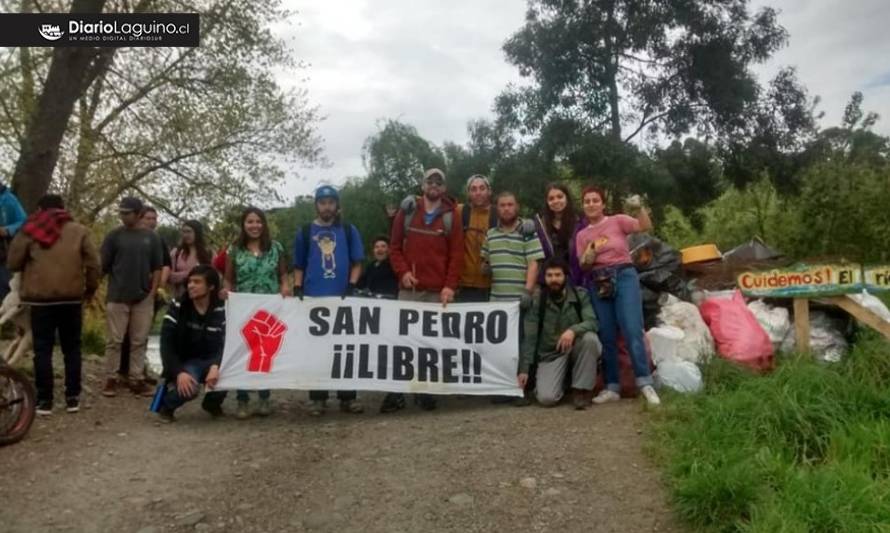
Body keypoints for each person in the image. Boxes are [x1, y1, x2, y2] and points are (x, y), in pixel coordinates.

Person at [6, 194, 99, 415]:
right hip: (71, 298)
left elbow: (13, 262)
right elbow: (94, 264)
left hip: (40, 300)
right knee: (72, 349)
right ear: (63, 208)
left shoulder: (30, 231)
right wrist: (90, 290)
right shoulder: (80, 231)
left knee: (42, 350)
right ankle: (72, 398)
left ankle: (44, 401)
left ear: (39, 210)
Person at [385, 168, 464, 412]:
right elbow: (394, 247)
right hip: (409, 288)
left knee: (430, 344)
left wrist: (450, 285)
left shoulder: (452, 215)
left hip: (437, 291)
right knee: (402, 342)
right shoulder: (407, 211)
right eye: (430, 181)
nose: (434, 185)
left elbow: (456, 254)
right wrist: (403, 272)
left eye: (439, 182)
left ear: (444, 188)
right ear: (422, 185)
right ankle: (395, 392)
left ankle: (424, 390)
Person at [575, 186, 660, 406]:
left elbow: (645, 226)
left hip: (624, 275)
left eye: (595, 200)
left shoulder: (617, 221)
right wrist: (589, 255)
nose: (591, 204)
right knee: (607, 334)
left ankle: (645, 383)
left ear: (603, 204)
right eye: (587, 201)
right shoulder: (582, 235)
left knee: (632, 328)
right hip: (599, 281)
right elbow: (583, 265)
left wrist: (639, 208)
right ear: (583, 206)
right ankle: (612, 386)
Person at [293, 185, 365, 416]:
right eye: (322, 203)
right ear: (317, 205)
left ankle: (347, 397)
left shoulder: (348, 229)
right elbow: (299, 265)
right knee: (316, 351)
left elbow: (357, 262)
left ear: (337, 205)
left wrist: (352, 285)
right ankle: (318, 398)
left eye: (330, 202)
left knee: (345, 349)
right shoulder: (305, 231)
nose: (327, 207)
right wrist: (297, 288)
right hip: (314, 298)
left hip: (342, 298)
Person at [223, 206, 290, 419]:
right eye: (250, 222)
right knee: (243, 352)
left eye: (258, 221)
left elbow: (282, 275)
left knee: (265, 352)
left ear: (264, 224)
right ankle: (242, 400)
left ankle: (264, 397)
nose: (255, 226)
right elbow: (228, 278)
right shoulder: (234, 250)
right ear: (244, 225)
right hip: (243, 308)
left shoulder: (276, 248)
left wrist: (285, 287)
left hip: (268, 307)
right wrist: (226, 292)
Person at [100, 197, 164, 397]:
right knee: (115, 340)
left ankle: (136, 378)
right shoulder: (113, 236)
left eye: (127, 212)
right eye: (121, 212)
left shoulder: (151, 238)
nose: (123, 216)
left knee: (139, 340)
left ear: (138, 214)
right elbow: (103, 266)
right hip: (117, 296)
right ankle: (112, 378)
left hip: (143, 296)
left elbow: (157, 267)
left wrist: (152, 293)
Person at [519, 257, 601, 409]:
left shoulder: (580, 295)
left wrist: (572, 331)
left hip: (575, 348)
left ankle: (580, 390)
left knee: (590, 339)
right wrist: (524, 369)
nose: (554, 279)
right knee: (546, 399)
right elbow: (529, 337)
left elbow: (593, 322)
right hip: (550, 354)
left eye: (558, 275)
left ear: (566, 277)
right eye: (549, 276)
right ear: (544, 278)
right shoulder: (537, 301)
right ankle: (563, 380)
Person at [155, 265, 227, 423]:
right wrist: (178, 372)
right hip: (186, 362)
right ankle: (166, 406)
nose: (191, 285)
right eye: (189, 282)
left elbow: (226, 343)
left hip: (211, 360)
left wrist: (216, 365)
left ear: (211, 287)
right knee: (189, 388)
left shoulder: (222, 310)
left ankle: (211, 404)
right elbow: (165, 344)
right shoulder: (178, 306)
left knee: (228, 373)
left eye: (197, 282)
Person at [118, 205, 172, 385]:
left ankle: (139, 371)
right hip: (126, 292)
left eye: (154, 219)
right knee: (123, 334)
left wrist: (159, 286)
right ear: (140, 218)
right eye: (148, 218)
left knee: (142, 335)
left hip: (150, 292)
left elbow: (165, 264)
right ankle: (122, 370)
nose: (151, 222)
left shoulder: (157, 239)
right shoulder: (124, 237)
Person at [481, 191, 544, 304]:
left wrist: (528, 291)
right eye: (502, 205)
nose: (506, 208)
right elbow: (485, 262)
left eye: (510, 205)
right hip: (496, 301)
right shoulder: (490, 234)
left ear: (517, 207)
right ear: (497, 209)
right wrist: (485, 268)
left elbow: (534, 264)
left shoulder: (527, 231)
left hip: (521, 299)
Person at [457, 174, 496, 302]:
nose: (478, 193)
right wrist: (415, 198)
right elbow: (438, 204)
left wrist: (524, 223)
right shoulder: (461, 211)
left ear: (489, 191)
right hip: (464, 284)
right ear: (468, 193)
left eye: (482, 188)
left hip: (492, 285)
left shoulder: (498, 213)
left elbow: (513, 218)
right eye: (473, 189)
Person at [533, 183, 579, 282]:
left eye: (560, 197)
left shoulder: (579, 222)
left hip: (575, 277)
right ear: (547, 202)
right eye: (551, 198)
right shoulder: (540, 225)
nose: (556, 201)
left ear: (567, 198)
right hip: (549, 278)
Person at [169, 220, 213, 299]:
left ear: (197, 233)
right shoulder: (176, 253)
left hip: (203, 298)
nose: (186, 235)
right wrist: (190, 273)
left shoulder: (208, 253)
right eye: (183, 232)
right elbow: (170, 277)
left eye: (189, 232)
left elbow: (213, 275)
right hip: (181, 297)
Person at [0, 181, 27, 301]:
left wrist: (7, 230)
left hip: (2, 248)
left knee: (4, 284)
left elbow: (23, 221)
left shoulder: (9, 199)